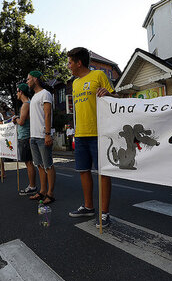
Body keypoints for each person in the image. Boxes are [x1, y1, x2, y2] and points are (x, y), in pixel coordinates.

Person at [67, 47, 116, 228]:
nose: (68, 66)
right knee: (83, 171)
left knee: (103, 173)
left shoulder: (99, 76)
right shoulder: (74, 83)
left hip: (99, 133)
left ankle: (105, 214)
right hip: (80, 134)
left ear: (79, 62)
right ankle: (88, 207)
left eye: (70, 62)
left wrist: (109, 94)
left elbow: (115, 98)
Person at [27, 71, 56, 204]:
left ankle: (50, 193)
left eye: (28, 79)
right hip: (34, 137)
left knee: (48, 165)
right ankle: (42, 191)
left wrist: (48, 134)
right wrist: (31, 136)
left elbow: (47, 114)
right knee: (39, 165)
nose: (27, 81)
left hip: (43, 136)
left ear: (35, 79)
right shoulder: (34, 96)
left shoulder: (45, 94)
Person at [13, 83, 37, 195]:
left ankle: (32, 186)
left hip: (25, 137)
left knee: (29, 163)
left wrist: (15, 119)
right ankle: (32, 185)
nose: (16, 94)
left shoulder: (26, 104)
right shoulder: (29, 103)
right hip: (26, 136)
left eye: (17, 92)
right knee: (29, 162)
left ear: (21, 92)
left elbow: (21, 122)